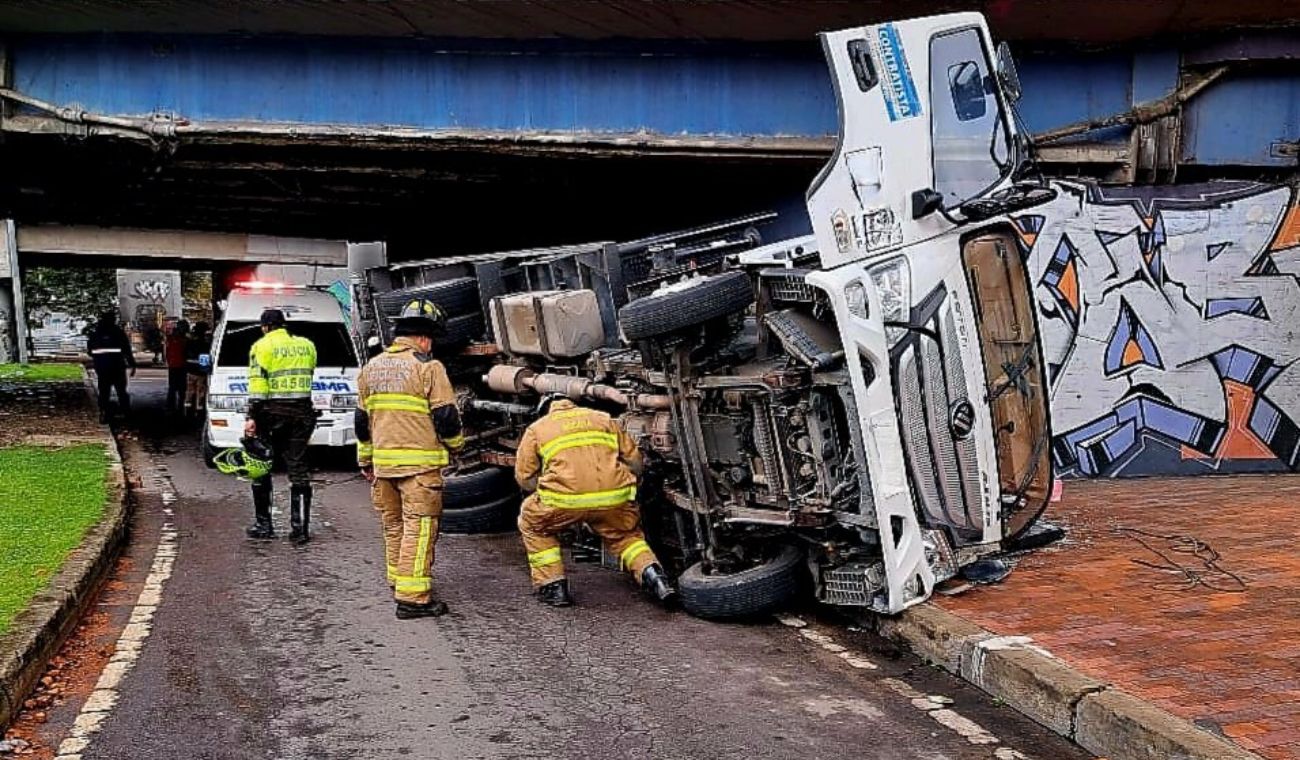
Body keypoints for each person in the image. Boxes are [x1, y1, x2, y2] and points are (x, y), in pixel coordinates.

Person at [355, 300, 464, 620]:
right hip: (419, 469)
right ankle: (413, 598)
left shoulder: (370, 368)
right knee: (419, 529)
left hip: (383, 466)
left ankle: (398, 579)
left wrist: (366, 461)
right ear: (425, 338)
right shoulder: (428, 367)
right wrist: (456, 446)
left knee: (394, 526)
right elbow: (446, 418)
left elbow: (362, 424)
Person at [514, 393, 675, 607]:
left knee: (533, 524)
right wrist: (629, 484)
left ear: (545, 410)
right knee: (626, 537)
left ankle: (554, 587)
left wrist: (547, 491)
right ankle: (656, 579)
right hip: (614, 498)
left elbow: (524, 478)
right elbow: (635, 461)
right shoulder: (604, 419)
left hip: (564, 501)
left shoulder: (538, 429)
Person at [243, 309, 318, 545]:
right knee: (298, 467)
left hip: (271, 415)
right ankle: (300, 530)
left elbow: (258, 388)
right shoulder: (307, 345)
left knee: (262, 465)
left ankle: (264, 525)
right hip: (302, 414)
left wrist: (251, 417)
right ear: (284, 325)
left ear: (265, 327)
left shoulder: (260, 347)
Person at [86, 311, 136, 423]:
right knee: (121, 391)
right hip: (117, 366)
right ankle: (126, 413)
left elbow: (90, 351)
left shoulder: (96, 334)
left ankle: (104, 413)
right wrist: (132, 364)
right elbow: (126, 350)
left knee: (104, 392)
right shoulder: (118, 333)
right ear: (113, 320)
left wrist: (99, 359)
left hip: (102, 368)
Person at [184, 321, 212, 417]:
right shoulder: (206, 344)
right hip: (200, 371)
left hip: (191, 370)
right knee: (201, 391)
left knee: (190, 391)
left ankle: (188, 410)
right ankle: (199, 410)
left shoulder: (190, 342)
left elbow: (185, 355)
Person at [164, 319, 190, 414]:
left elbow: (167, 352)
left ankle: (171, 407)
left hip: (173, 365)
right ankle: (181, 407)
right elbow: (186, 353)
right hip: (181, 365)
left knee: (172, 387)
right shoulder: (184, 340)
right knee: (182, 388)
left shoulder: (171, 338)